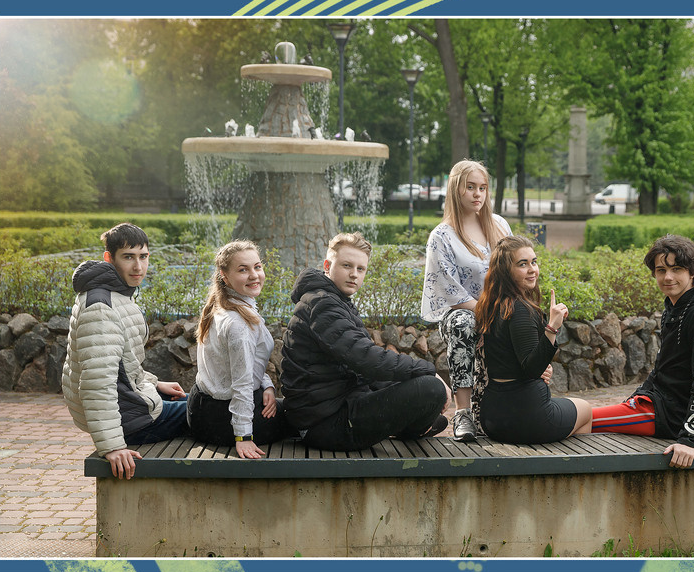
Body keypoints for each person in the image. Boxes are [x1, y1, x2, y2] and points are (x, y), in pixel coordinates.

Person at [470, 234, 654, 444]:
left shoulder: (492, 305)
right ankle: (569, 460)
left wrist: (542, 367)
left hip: (493, 417)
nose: (532, 269)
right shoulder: (519, 309)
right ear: (505, 270)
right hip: (525, 417)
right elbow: (532, 368)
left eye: (534, 262)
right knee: (585, 409)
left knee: (571, 411)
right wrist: (552, 327)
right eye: (522, 264)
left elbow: (512, 358)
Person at [280, 233, 451, 450]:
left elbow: (363, 370)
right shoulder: (322, 305)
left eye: (361, 269)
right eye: (347, 266)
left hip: (335, 409)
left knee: (425, 394)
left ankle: (410, 425)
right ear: (327, 266)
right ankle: (411, 428)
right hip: (324, 424)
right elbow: (367, 359)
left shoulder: (335, 300)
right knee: (431, 389)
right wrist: (428, 371)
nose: (354, 274)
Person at [67, 222, 189, 479]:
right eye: (128, 257)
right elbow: (97, 382)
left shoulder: (115, 293)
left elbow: (123, 364)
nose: (138, 266)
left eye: (143, 257)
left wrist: (154, 384)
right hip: (132, 422)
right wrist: (112, 446)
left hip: (130, 408)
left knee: (198, 401)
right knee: (212, 410)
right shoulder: (101, 306)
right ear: (109, 258)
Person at [421, 159, 510, 440]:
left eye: (482, 188)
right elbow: (450, 291)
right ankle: (462, 413)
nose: (477, 194)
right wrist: (488, 314)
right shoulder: (442, 236)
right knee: (464, 323)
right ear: (455, 189)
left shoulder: (499, 226)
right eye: (470, 187)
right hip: (461, 312)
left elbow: (514, 272)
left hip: (498, 309)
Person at [627, 233, 694, 468]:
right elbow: (663, 367)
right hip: (661, 404)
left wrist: (690, 439)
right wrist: (636, 396)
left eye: (676, 269)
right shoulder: (675, 306)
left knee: (586, 420)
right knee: (585, 418)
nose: (668, 277)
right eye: (661, 270)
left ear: (692, 272)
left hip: (675, 418)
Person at [184, 240, 294, 458]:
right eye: (243, 270)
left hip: (201, 408)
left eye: (257, 267)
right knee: (301, 415)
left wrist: (266, 385)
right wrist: (243, 437)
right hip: (221, 419)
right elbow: (241, 383)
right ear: (224, 276)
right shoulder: (238, 324)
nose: (254, 275)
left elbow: (239, 364)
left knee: (283, 406)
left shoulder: (227, 304)